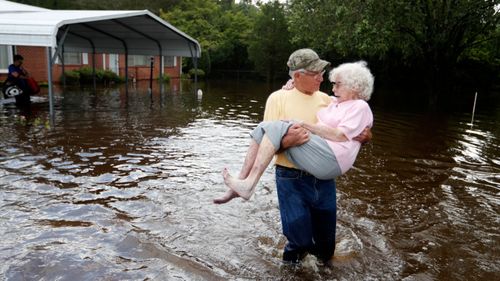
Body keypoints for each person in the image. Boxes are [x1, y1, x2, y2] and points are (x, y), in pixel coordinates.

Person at [214, 48, 372, 265]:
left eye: (322, 72)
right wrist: (289, 141)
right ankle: (290, 272)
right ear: (297, 76)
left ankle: (325, 273)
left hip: (323, 178)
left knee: (326, 247)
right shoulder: (277, 98)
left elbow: (352, 126)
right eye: (315, 73)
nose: (321, 77)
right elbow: (266, 141)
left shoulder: (328, 99)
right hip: (291, 177)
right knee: (299, 241)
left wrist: (366, 135)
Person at [222, 60, 374, 201]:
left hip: (332, 158)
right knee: (263, 127)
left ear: (354, 86)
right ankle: (243, 180)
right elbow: (268, 141)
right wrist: (293, 85)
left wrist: (303, 124)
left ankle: (248, 184)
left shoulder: (360, 106)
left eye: (338, 84)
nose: (333, 88)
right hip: (318, 156)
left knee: (278, 126)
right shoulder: (333, 101)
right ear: (297, 76)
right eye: (333, 84)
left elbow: (341, 135)